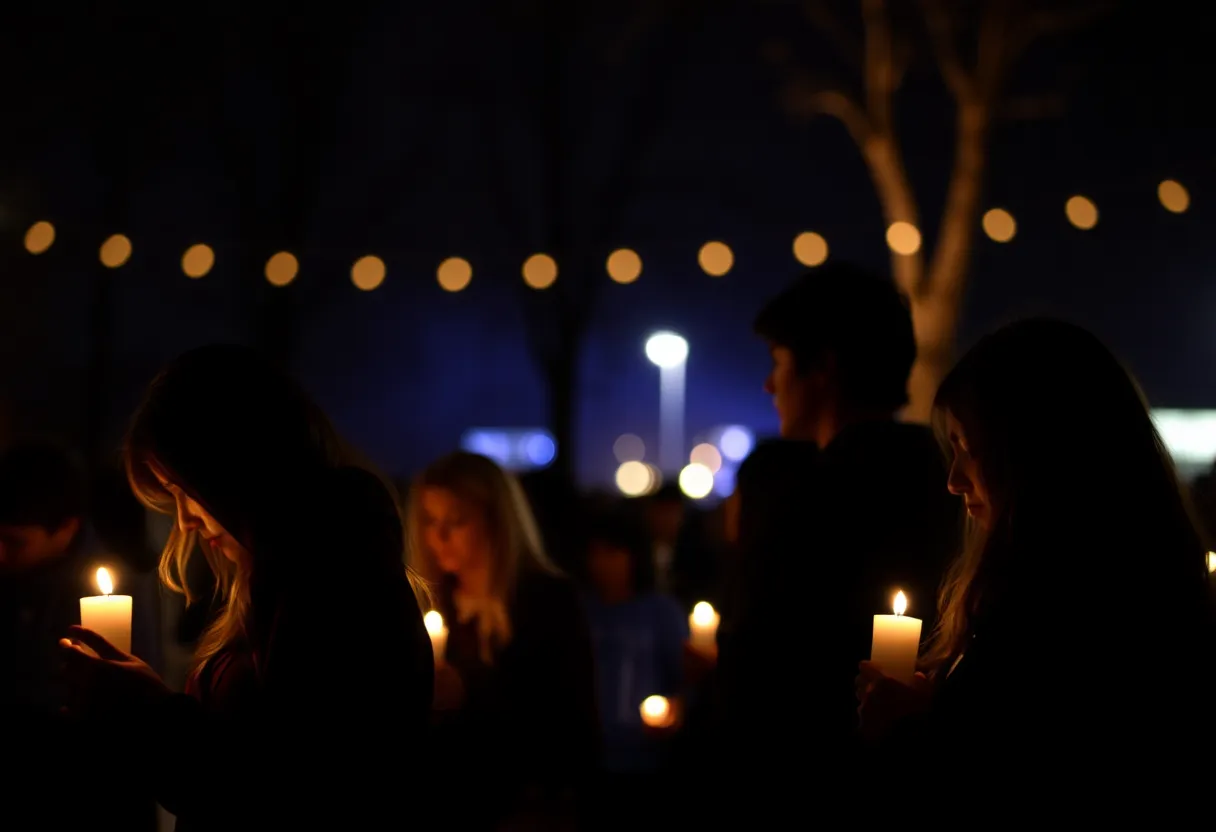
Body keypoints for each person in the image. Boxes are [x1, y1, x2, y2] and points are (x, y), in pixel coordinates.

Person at [58, 344, 434, 831]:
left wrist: (148, 716)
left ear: (231, 467)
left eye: (183, 490)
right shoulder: (292, 572)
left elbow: (288, 787)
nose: (186, 520)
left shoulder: (333, 574)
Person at [857, 319, 1213, 809]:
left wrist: (905, 732)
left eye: (968, 448)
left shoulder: (1063, 612)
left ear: (1034, 451)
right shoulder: (1121, 584)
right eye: (952, 449)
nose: (954, 480)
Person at [708, 264, 960, 809]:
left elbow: (757, 669)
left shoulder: (797, 500)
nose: (769, 384)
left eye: (779, 363)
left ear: (823, 367)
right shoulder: (953, 482)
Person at [408, 451, 598, 830]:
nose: (439, 537)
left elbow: (570, 716)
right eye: (430, 521)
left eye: (456, 521)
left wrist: (469, 689)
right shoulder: (428, 604)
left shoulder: (547, 599)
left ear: (498, 521)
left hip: (531, 806)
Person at [1, 438, 157, 830]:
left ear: (67, 528)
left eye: (13, 542)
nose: (0, 553)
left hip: (89, 792)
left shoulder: (117, 589)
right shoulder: (12, 580)